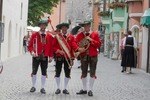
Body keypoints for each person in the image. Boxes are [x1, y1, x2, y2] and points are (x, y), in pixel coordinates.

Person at [52, 22, 85, 95]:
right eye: (62, 27)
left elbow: (73, 45)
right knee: (58, 72)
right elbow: (53, 46)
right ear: (61, 29)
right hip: (59, 56)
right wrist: (58, 51)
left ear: (67, 28)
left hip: (68, 57)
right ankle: (58, 88)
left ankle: (65, 88)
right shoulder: (57, 37)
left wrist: (78, 49)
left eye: (65, 27)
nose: (64, 29)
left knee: (67, 73)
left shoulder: (71, 37)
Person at [76, 20, 101, 96]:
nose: (86, 27)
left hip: (93, 55)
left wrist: (91, 40)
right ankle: (84, 89)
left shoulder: (95, 34)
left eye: (87, 26)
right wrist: (78, 48)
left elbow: (99, 44)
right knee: (83, 73)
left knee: (92, 73)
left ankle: (90, 89)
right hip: (83, 56)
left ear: (90, 26)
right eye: (85, 26)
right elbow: (76, 43)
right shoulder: (80, 35)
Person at [28, 19, 53, 94]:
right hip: (36, 56)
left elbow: (51, 47)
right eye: (41, 25)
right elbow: (30, 46)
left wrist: (51, 56)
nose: (43, 26)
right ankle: (33, 86)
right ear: (39, 26)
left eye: (44, 25)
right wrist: (32, 52)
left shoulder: (49, 36)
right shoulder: (34, 35)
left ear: (46, 26)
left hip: (45, 56)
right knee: (34, 71)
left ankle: (43, 87)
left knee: (44, 72)